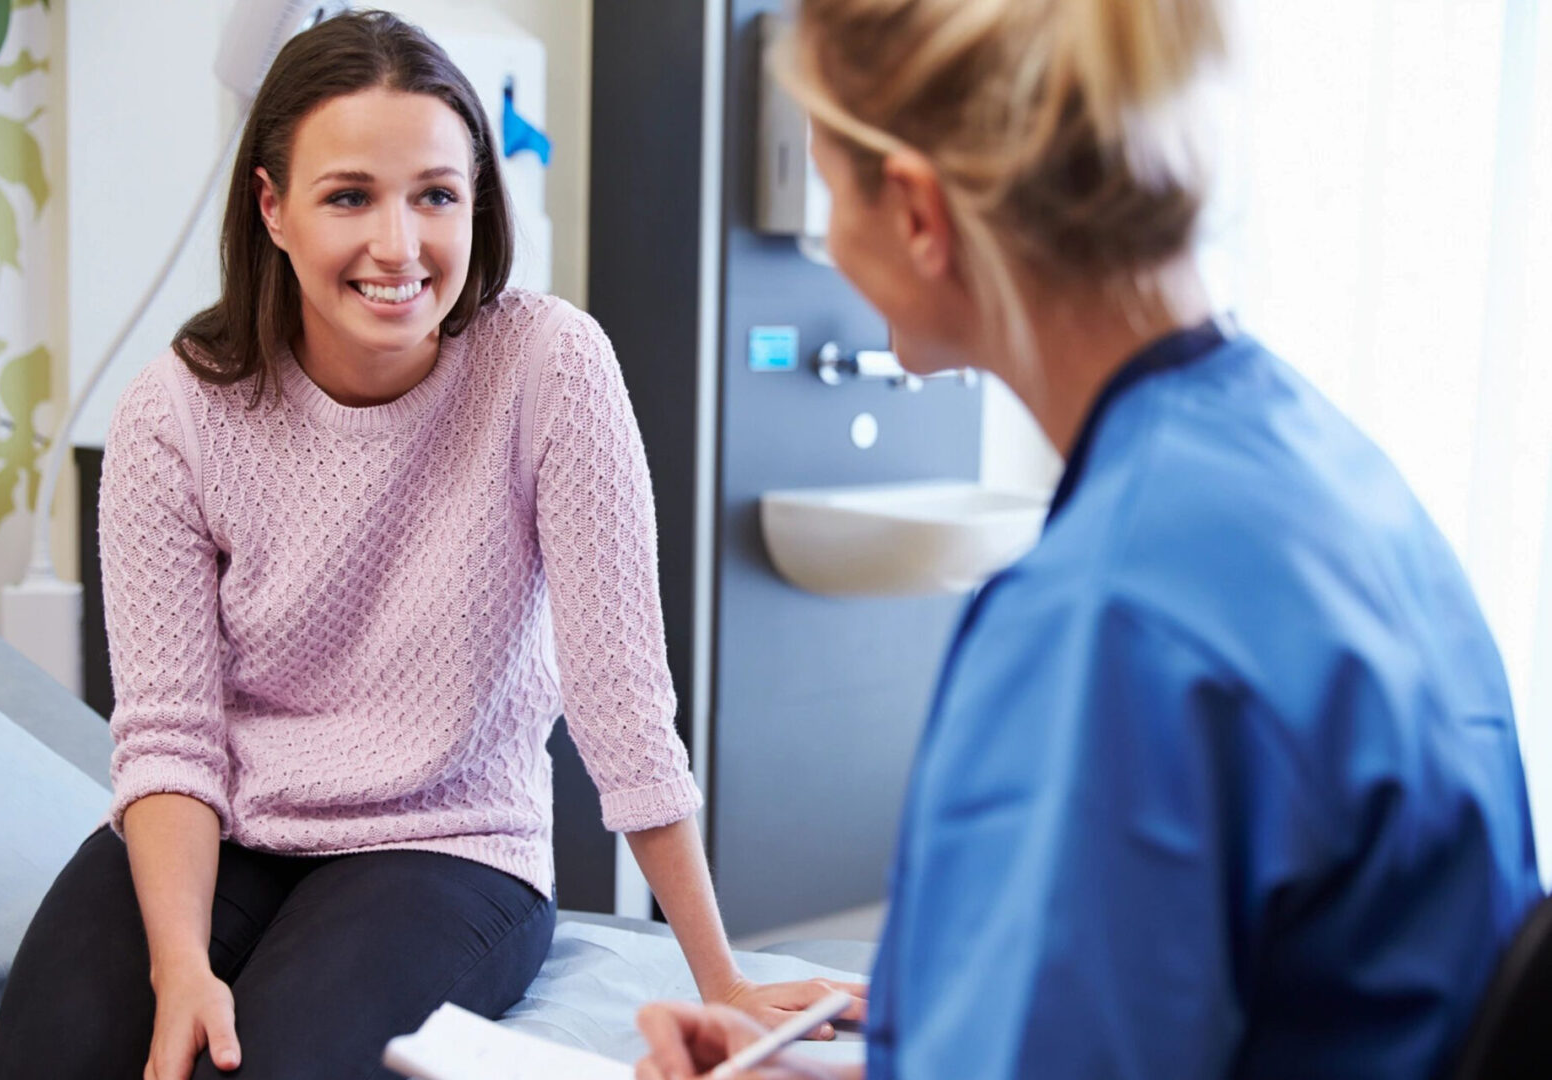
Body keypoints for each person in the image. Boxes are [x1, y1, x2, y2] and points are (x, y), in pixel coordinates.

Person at [634, 1, 1542, 1077]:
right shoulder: (1319, 464)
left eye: (832, 188)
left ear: (921, 214)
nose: (828, 240)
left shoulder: (1106, 619)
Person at [0, 12, 861, 1080]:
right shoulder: (175, 413)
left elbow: (622, 701)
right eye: (350, 195)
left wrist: (719, 982)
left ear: (476, 203)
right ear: (273, 207)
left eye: (436, 195)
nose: (399, 246)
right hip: (234, 828)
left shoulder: (550, 365)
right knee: (49, 1058)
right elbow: (170, 734)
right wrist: (181, 962)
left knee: (281, 1066)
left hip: (451, 843)